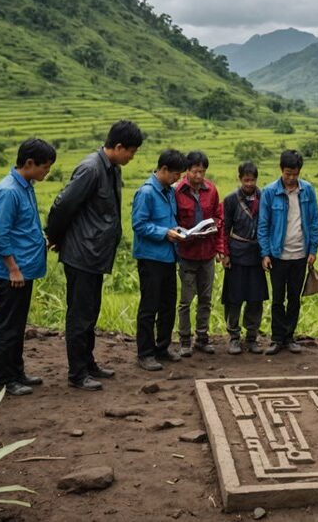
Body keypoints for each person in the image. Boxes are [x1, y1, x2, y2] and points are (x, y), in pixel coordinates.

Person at [46, 120, 142, 391]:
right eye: (131, 151)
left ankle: (88, 363)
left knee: (90, 312)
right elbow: (63, 205)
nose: (132, 157)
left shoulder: (111, 168)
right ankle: (77, 373)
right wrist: (54, 237)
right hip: (82, 253)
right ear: (119, 146)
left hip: (95, 253)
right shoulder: (91, 168)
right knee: (80, 314)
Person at [0, 138, 57, 396]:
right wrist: (12, 268)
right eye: (45, 167)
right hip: (11, 272)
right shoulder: (8, 191)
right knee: (9, 325)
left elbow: (22, 226)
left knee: (17, 323)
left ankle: (17, 372)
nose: (46, 172)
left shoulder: (25, 185)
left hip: (24, 268)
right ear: (29, 163)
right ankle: (4, 379)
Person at [257, 150, 318, 355]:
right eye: (287, 174)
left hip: (300, 254)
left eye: (294, 174)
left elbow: (314, 221)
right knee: (277, 298)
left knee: (294, 297)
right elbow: (263, 224)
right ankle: (277, 338)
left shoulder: (308, 191)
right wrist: (265, 253)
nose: (291, 178)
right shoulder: (269, 192)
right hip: (277, 254)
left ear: (299, 172)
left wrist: (313, 249)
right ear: (281, 170)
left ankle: (289, 336)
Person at [131, 149, 187, 371]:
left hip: (168, 257)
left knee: (167, 305)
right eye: (175, 174)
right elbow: (139, 224)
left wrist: (178, 231)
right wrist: (165, 233)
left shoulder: (168, 191)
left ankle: (162, 347)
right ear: (163, 170)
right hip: (150, 257)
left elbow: (170, 219)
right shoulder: (146, 193)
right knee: (149, 306)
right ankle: (145, 353)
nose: (177, 179)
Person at [174, 151, 227, 357]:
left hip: (207, 252)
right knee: (186, 300)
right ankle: (185, 340)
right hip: (187, 253)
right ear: (187, 171)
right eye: (195, 171)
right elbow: (172, 219)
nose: (199, 176)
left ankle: (202, 338)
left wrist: (218, 242)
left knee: (206, 298)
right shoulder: (177, 191)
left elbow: (218, 217)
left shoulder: (211, 190)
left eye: (202, 172)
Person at [221, 161, 268, 354]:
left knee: (255, 298)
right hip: (237, 253)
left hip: (257, 253)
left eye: (253, 180)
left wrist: (267, 253)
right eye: (246, 180)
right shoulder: (231, 200)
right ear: (240, 179)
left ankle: (252, 336)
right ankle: (233, 337)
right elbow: (224, 229)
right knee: (234, 297)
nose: (249, 183)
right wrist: (224, 253)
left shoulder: (264, 197)